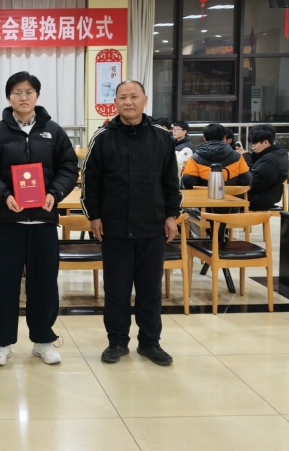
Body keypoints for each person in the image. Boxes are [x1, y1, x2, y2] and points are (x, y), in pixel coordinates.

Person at [0, 72, 79, 367]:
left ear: (37, 96)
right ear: (9, 97)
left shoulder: (53, 131)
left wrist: (55, 193)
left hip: (44, 222)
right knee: (3, 284)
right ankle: (0, 343)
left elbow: (69, 167)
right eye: (18, 92)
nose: (24, 97)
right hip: (8, 222)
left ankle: (43, 340)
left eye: (29, 91)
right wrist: (3, 195)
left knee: (44, 284)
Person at [81, 80, 182, 367]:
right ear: (115, 102)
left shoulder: (162, 137)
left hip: (153, 226)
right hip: (114, 227)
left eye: (134, 96)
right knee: (117, 289)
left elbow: (171, 181)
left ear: (145, 100)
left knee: (150, 289)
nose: (128, 102)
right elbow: (90, 180)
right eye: (123, 97)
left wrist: (172, 215)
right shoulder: (103, 137)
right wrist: (94, 216)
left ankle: (150, 342)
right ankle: (117, 341)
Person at [180, 123, 252, 190]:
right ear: (224, 137)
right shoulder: (237, 156)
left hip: (203, 197)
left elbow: (187, 180)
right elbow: (247, 180)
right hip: (233, 197)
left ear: (204, 137)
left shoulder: (195, 158)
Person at [247, 128, 289, 211]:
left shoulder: (271, 159)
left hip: (259, 200)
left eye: (254, 145)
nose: (252, 148)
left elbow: (255, 183)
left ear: (266, 142)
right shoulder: (274, 154)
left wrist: (247, 159)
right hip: (265, 197)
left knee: (228, 197)